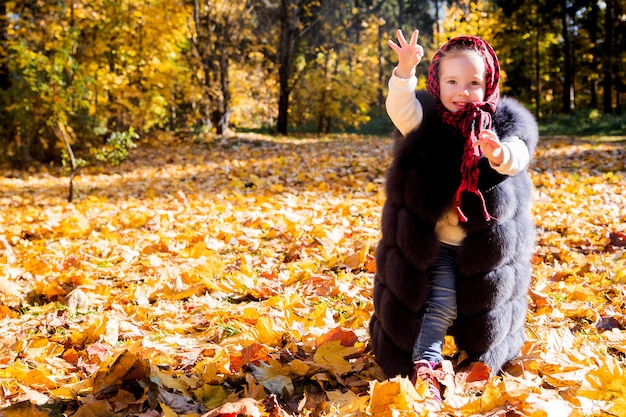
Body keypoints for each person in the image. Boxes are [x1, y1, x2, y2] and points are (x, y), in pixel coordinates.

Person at [369, 29, 538, 404]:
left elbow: (518, 153)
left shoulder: (500, 124)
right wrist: (404, 71)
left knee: (480, 309)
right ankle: (426, 364)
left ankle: (478, 362)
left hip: (484, 249)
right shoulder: (425, 120)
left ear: (489, 83)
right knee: (441, 301)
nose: (463, 91)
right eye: (452, 81)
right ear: (437, 84)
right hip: (438, 243)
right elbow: (400, 108)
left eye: (473, 83)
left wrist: (497, 155)